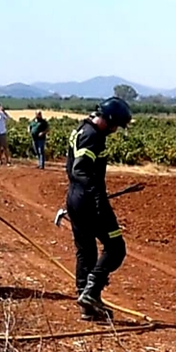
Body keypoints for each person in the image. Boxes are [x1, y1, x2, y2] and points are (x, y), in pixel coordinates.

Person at [65, 97, 134, 321]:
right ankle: (91, 292)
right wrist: (97, 198)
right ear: (110, 120)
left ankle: (87, 305)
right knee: (115, 248)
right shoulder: (93, 136)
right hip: (89, 201)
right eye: (116, 126)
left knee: (86, 251)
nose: (115, 130)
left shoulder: (81, 130)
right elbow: (80, 170)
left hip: (75, 198)